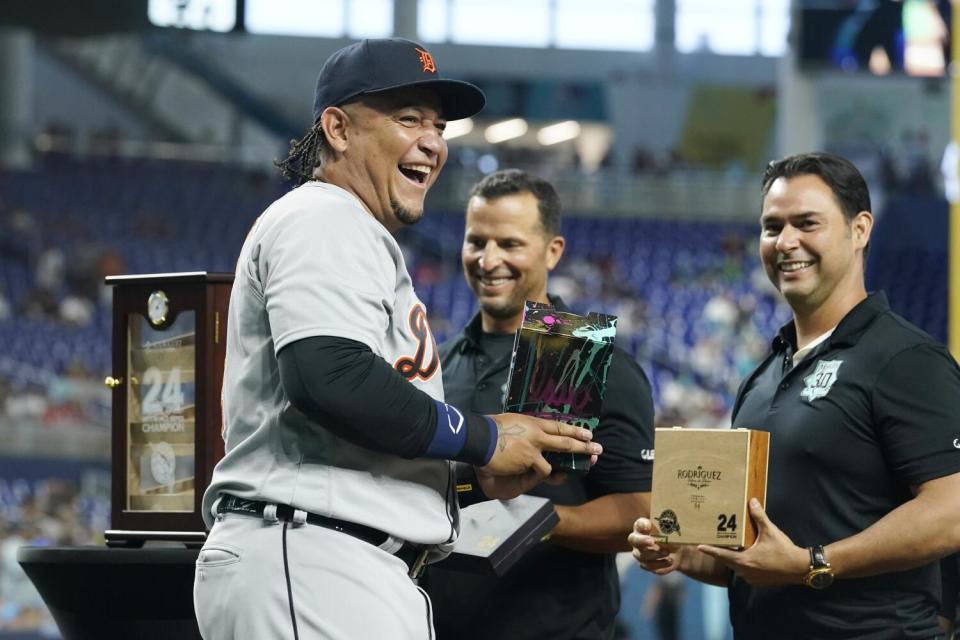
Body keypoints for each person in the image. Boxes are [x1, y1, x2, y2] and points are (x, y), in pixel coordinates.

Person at [192, 39, 602, 640]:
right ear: (337, 128)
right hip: (311, 556)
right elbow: (327, 376)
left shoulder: (352, 230)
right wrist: (485, 439)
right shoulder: (322, 216)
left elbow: (356, 444)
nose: (433, 141)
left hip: (340, 559)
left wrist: (471, 479)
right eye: (408, 118)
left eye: (438, 125)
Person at [630, 152, 960, 639]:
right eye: (771, 227)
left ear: (860, 229)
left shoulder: (905, 358)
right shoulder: (764, 375)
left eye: (807, 223)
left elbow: (951, 511)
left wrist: (814, 563)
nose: (786, 242)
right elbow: (757, 559)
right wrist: (683, 552)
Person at [424, 169, 654, 639]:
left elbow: (643, 508)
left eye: (509, 244)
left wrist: (539, 521)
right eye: (476, 242)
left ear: (553, 250)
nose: (488, 260)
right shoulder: (437, 363)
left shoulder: (587, 359)